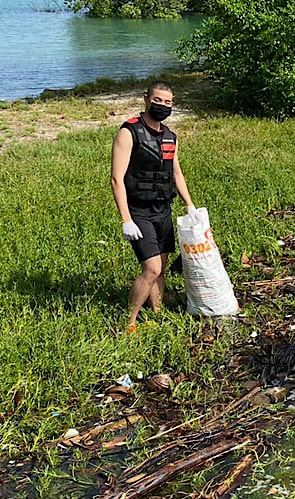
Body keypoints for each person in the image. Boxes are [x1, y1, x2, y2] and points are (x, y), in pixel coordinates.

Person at [111, 81, 203, 332]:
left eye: (168, 102)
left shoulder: (171, 137)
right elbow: (116, 178)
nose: (163, 106)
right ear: (146, 99)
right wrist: (125, 219)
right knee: (151, 268)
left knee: (160, 268)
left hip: (163, 208)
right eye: (158, 100)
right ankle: (129, 321)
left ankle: (158, 314)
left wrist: (190, 205)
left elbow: (177, 173)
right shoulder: (129, 132)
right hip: (139, 211)